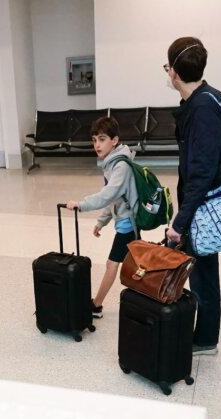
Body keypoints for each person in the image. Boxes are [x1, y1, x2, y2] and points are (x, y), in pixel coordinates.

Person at [163, 36, 221, 356]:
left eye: (167, 67)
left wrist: (180, 222)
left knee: (204, 271)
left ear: (174, 73)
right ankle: (204, 333)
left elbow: (201, 174)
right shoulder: (207, 99)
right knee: (202, 266)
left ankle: (206, 339)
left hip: (206, 206)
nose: (167, 74)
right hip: (204, 202)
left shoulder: (203, 108)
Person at [65, 116, 138, 318]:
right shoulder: (110, 163)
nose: (97, 144)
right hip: (126, 220)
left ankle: (96, 305)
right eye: (95, 140)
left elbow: (108, 195)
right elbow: (114, 198)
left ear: (114, 140)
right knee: (136, 262)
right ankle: (145, 297)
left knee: (112, 264)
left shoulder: (120, 166)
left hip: (129, 224)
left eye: (102, 139)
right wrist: (101, 222)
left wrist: (81, 204)